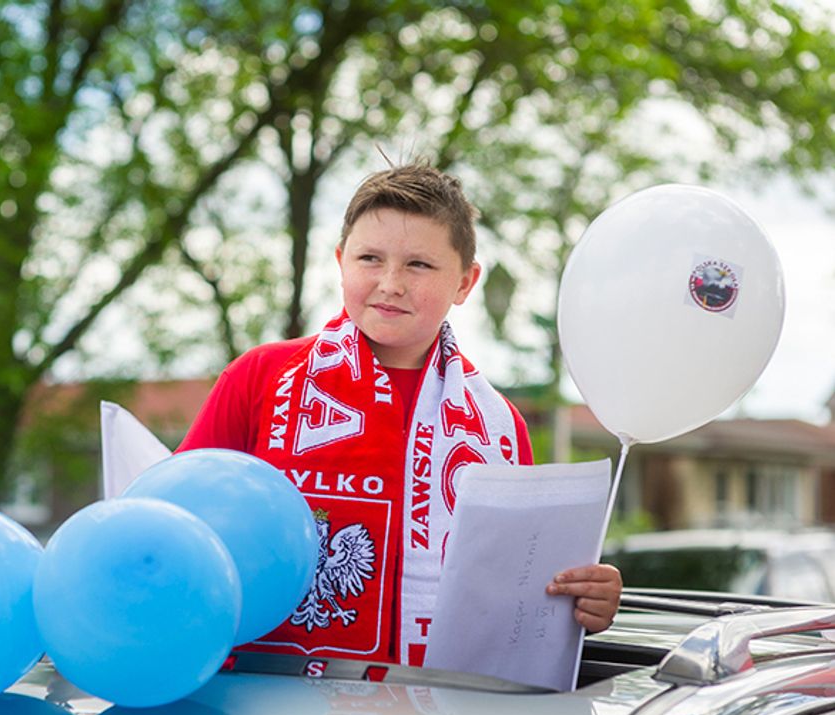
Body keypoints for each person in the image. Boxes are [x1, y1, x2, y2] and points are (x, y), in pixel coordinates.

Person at [178, 162, 621, 666]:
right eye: (370, 258)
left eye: (419, 265)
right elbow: (180, 528)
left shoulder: (499, 426)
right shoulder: (261, 378)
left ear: (465, 282)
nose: (390, 283)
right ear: (341, 261)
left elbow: (516, 586)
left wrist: (584, 596)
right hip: (266, 704)